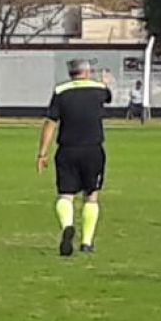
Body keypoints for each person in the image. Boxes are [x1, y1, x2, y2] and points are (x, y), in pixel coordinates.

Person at [37, 59, 112, 256]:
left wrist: (42, 153)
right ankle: (87, 242)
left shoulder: (61, 91)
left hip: (67, 149)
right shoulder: (99, 89)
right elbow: (108, 97)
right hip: (92, 149)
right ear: (87, 72)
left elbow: (50, 122)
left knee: (65, 194)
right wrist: (105, 81)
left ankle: (67, 226)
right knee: (91, 195)